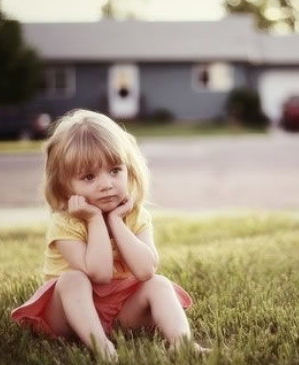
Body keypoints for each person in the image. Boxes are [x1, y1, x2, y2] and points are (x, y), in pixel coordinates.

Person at [11, 109, 206, 361]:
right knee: (72, 279)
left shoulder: (134, 215)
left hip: (119, 311)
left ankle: (183, 344)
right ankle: (101, 346)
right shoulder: (65, 223)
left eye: (115, 171)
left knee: (159, 283)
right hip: (72, 313)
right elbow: (100, 274)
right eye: (89, 177)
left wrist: (116, 221)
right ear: (64, 185)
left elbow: (146, 270)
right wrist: (94, 219)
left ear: (129, 170)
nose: (106, 184)